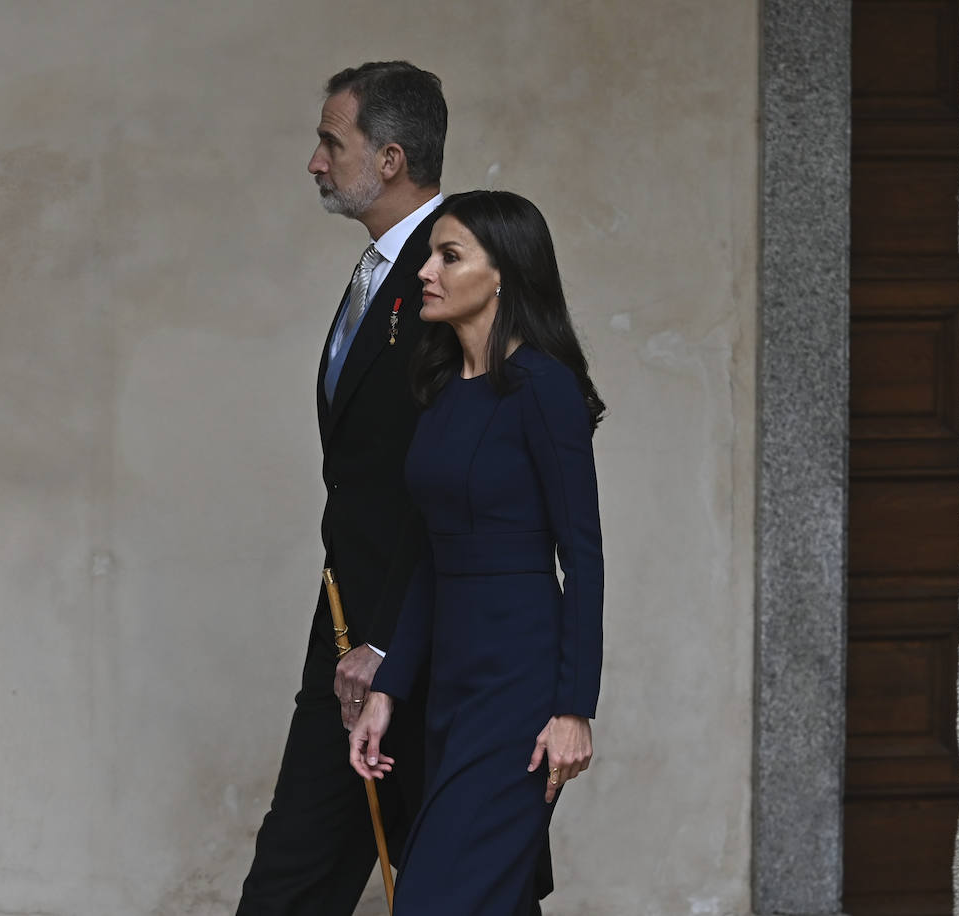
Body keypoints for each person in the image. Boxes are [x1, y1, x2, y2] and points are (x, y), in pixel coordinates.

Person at [350, 190, 606, 914]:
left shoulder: (544, 390)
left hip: (519, 688)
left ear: (503, 274)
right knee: (491, 897)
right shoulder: (441, 393)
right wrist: (390, 688)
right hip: (449, 688)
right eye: (430, 253)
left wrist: (574, 707)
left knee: (435, 898)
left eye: (448, 255)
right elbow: (433, 558)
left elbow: (582, 555)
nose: (425, 270)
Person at [235, 61, 445, 915]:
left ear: (389, 157)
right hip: (347, 636)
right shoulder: (378, 270)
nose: (315, 161)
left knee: (462, 889)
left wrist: (392, 644)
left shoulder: (452, 270)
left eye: (332, 140)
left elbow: (458, 486)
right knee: (293, 877)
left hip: (424, 648)